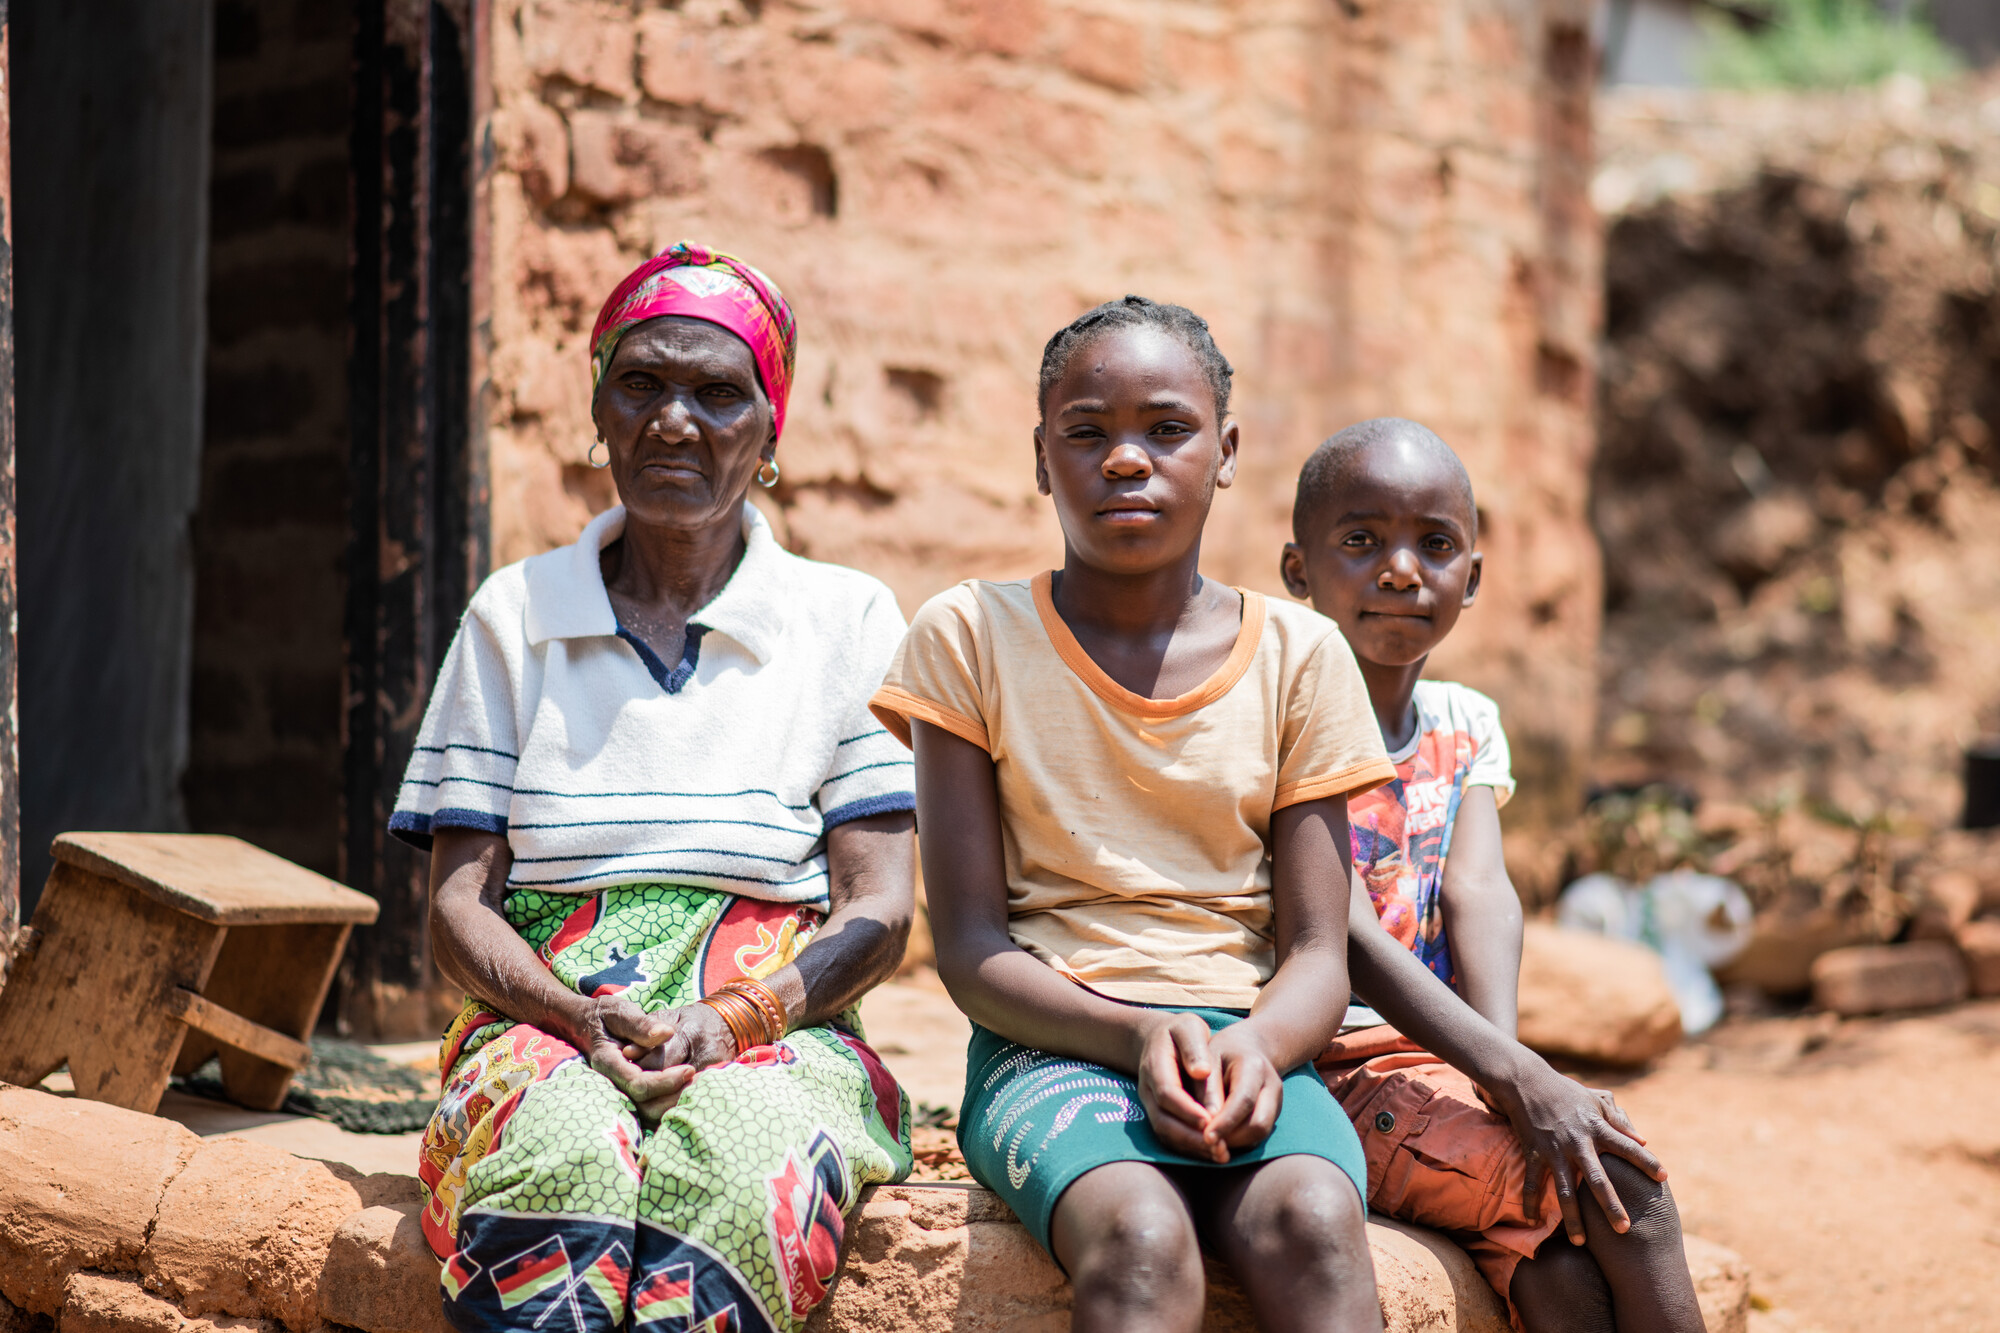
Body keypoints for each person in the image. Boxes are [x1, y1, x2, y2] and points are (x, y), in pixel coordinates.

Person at [389, 242, 918, 1333]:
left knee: (734, 1162)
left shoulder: (844, 618)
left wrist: (734, 1017)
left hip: (781, 1023)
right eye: (641, 384)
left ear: (768, 430)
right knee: (561, 1153)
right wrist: (573, 1016)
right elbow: (455, 904)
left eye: (717, 393)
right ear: (599, 411)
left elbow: (879, 909)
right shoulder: (514, 611)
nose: (674, 419)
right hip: (539, 1012)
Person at [872, 296, 1396, 1333]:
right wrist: (1139, 1030)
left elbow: (1316, 951)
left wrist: (1255, 1047)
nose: (1124, 460)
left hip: (1253, 1042)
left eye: (1165, 429)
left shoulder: (1299, 655)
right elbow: (972, 950)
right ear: (1038, 457)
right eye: (1085, 432)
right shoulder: (969, 636)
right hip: (1051, 1043)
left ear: (1226, 449)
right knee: (1142, 1239)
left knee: (1312, 1219)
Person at [1279, 417, 1704, 1333]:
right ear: (1296, 571)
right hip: (1330, 1065)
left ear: (1471, 580)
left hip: (1442, 1055)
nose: (1400, 570)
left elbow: (1479, 890)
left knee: (1563, 1282)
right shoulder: (1283, 719)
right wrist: (1509, 1074)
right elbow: (1341, 934)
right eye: (1361, 541)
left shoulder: (1464, 722)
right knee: (1630, 1192)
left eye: (1434, 545)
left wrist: (1498, 1074)